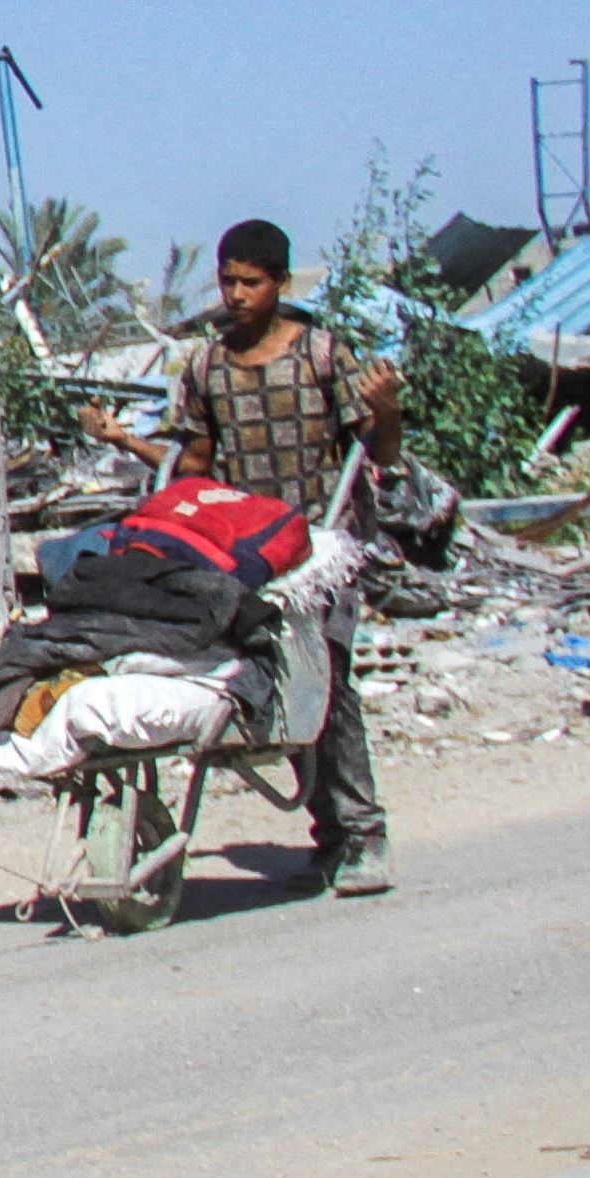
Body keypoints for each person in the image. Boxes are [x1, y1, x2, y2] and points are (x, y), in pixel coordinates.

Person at [158, 217, 402, 897]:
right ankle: (330, 835)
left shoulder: (324, 354)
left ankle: (363, 833)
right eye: (228, 280)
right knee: (285, 685)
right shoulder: (206, 365)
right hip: (254, 549)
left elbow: (378, 452)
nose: (236, 294)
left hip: (326, 548)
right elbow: (197, 459)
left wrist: (387, 411)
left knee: (329, 679)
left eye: (252, 281)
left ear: (281, 283)